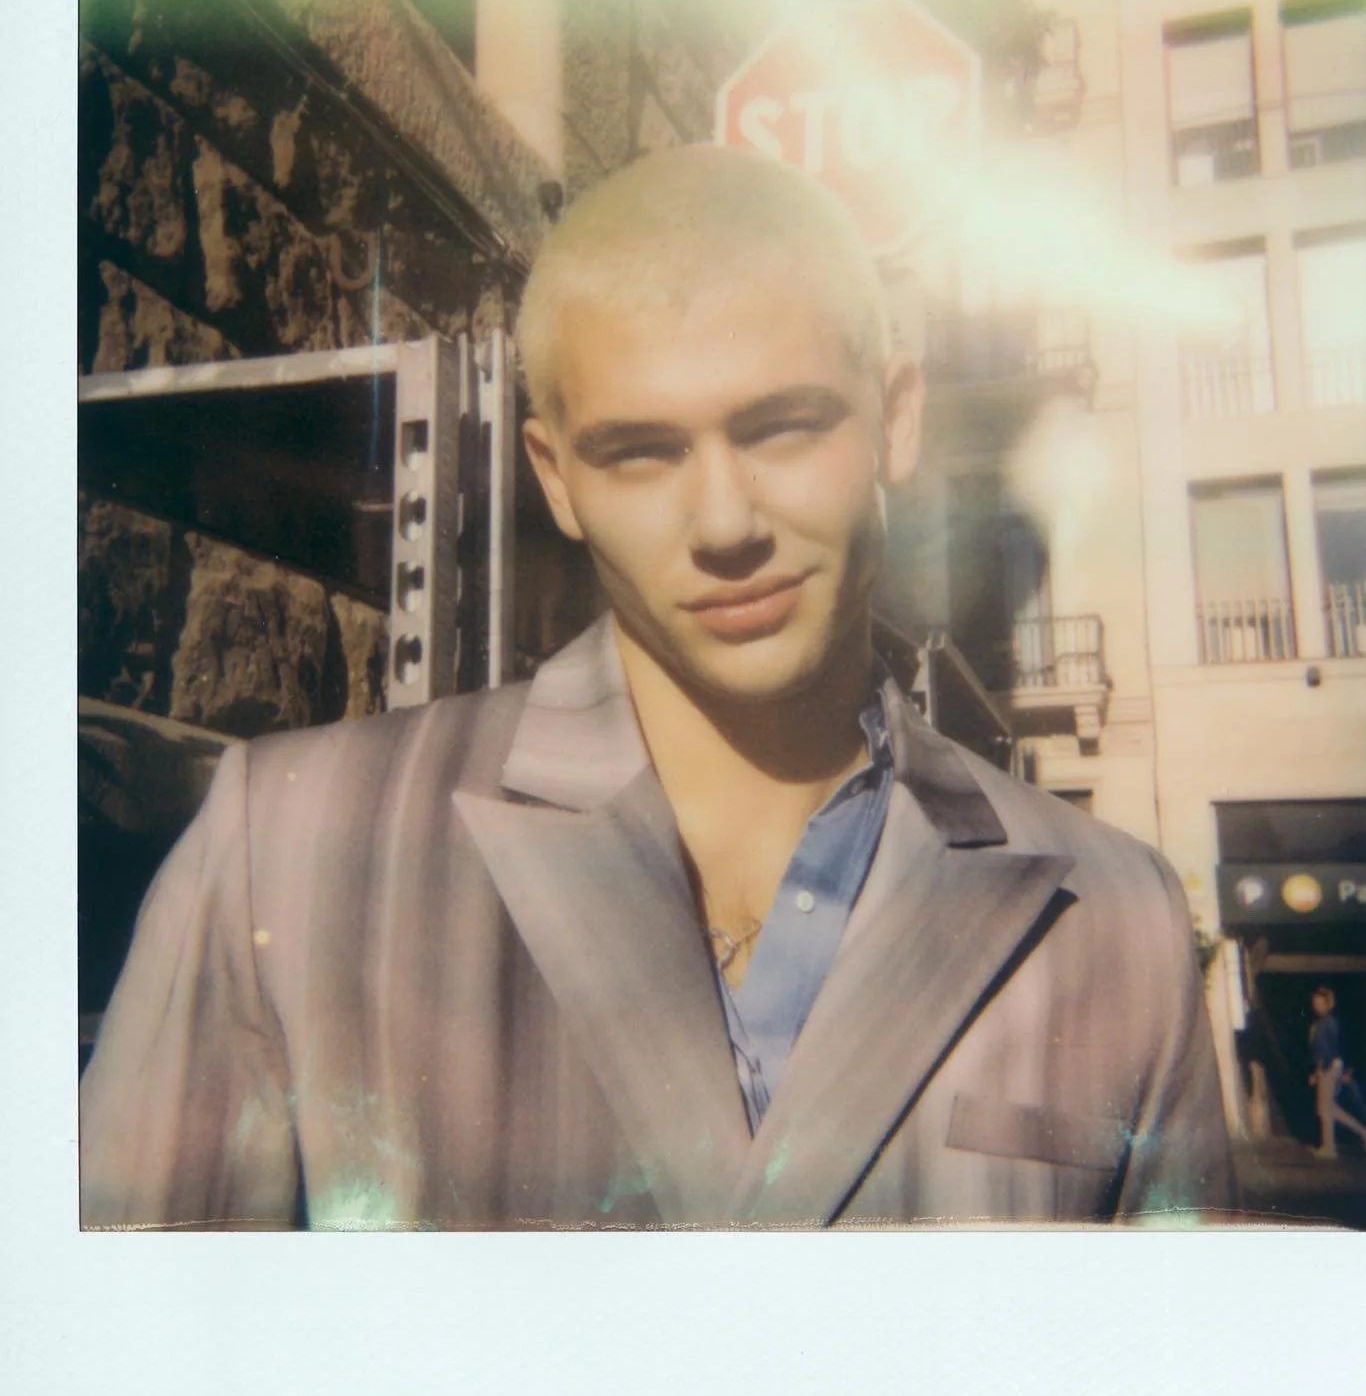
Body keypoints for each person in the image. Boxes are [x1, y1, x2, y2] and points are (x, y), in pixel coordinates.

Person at [80, 145, 1235, 1230]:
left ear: (897, 418)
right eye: (640, 452)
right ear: (556, 475)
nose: (725, 524)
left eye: (783, 429)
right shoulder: (290, 853)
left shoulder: (1113, 926)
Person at [1307, 985, 1366, 1158]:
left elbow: (1332, 1048)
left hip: (1329, 1067)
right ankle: (1364, 1135)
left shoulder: (1329, 1023)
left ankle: (1330, 1147)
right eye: (1315, 1002)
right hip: (1327, 1067)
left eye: (1320, 1002)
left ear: (1328, 1004)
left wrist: (1322, 1070)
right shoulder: (1321, 1023)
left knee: (1325, 1109)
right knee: (1329, 1108)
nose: (1316, 1005)